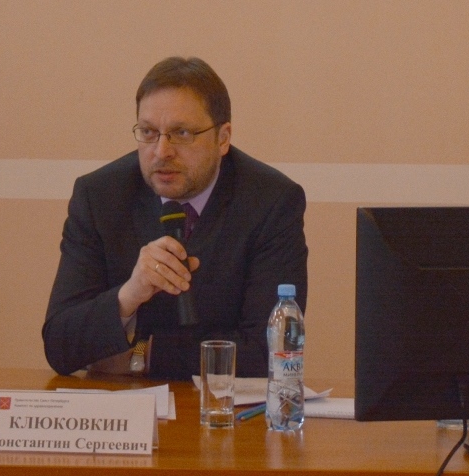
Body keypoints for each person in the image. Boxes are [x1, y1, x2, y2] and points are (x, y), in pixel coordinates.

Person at [44, 57, 308, 379]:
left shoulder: (271, 202)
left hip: (224, 404)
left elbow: (272, 352)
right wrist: (129, 295)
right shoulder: (100, 196)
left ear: (223, 138)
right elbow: (59, 345)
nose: (161, 151)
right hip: (123, 405)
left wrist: (142, 357)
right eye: (148, 132)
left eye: (181, 133)